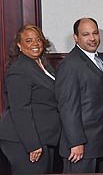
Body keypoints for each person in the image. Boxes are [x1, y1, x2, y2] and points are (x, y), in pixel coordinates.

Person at [0, 25, 61, 173]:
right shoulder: (19, 71)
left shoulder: (43, 65)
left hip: (45, 137)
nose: (35, 44)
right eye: (29, 40)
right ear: (19, 45)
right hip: (23, 141)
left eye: (38, 39)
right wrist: (32, 144)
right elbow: (20, 110)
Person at [55, 18, 103, 173]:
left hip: (99, 143)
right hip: (81, 147)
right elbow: (67, 108)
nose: (92, 38)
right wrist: (76, 142)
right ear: (76, 37)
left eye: (95, 33)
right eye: (86, 34)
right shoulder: (70, 65)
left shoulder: (100, 59)